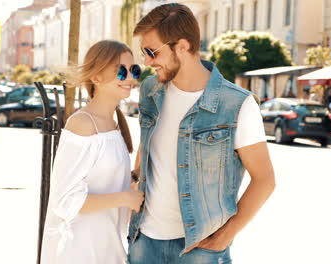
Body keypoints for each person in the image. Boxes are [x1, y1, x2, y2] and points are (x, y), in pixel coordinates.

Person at [128, 3, 276, 264]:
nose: (147, 62)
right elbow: (147, 144)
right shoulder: (150, 89)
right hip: (144, 242)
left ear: (182, 46)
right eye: (144, 53)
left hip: (199, 250)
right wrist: (135, 177)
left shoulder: (237, 104)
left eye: (152, 52)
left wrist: (223, 238)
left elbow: (264, 180)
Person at [41, 40, 144, 264]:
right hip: (79, 250)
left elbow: (104, 181)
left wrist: (134, 178)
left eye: (134, 70)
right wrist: (125, 198)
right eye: (121, 71)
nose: (130, 78)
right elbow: (66, 200)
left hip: (107, 247)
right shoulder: (82, 124)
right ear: (96, 77)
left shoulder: (115, 122)